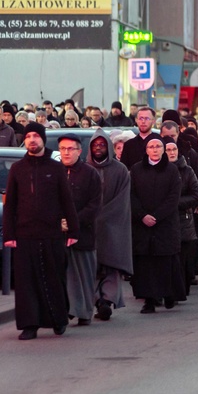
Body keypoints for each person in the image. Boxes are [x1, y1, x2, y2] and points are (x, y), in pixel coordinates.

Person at [3, 123, 80, 340]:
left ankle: (58, 320)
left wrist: (73, 230)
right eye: (28, 136)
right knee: (26, 282)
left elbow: (67, 201)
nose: (32, 140)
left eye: (36, 135)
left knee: (54, 277)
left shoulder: (55, 168)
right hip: (24, 235)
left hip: (52, 234)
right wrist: (9, 235)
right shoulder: (17, 169)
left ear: (43, 139)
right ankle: (30, 325)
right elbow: (10, 204)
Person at [130, 137, 185, 313]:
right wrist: (142, 215)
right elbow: (131, 195)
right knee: (145, 263)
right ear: (146, 150)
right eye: (151, 147)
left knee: (165, 261)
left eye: (158, 146)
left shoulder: (171, 170)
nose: (154, 149)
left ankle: (169, 294)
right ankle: (149, 300)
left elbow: (173, 197)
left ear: (163, 150)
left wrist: (156, 216)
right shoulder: (137, 169)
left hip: (165, 224)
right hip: (142, 224)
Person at [58, 133, 103, 325]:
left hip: (83, 232)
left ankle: (84, 312)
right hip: (57, 232)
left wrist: (73, 222)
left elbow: (94, 204)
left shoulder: (90, 173)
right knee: (62, 275)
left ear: (79, 151)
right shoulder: (55, 171)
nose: (66, 153)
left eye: (70, 149)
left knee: (83, 274)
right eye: (63, 149)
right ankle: (66, 310)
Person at [88, 130, 132, 321]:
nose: (99, 148)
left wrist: (104, 216)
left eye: (102, 144)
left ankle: (106, 300)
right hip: (89, 227)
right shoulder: (84, 169)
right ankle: (97, 300)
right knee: (92, 267)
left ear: (108, 147)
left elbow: (123, 200)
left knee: (111, 266)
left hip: (113, 226)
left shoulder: (120, 170)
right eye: (95, 145)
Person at [165, 138, 198, 293]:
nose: (172, 153)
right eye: (168, 150)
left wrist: (175, 203)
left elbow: (196, 194)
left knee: (183, 258)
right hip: (164, 220)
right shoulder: (160, 170)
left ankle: (181, 289)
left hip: (183, 219)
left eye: (174, 150)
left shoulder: (187, 170)